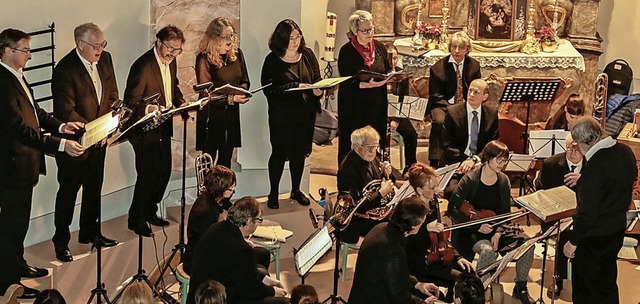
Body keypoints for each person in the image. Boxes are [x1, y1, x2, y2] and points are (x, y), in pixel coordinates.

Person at [0, 28, 85, 299]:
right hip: (12, 168)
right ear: (7, 50)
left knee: (19, 225)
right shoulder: (2, 83)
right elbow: (19, 129)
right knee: (11, 227)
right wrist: (59, 144)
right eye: (25, 50)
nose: (29, 55)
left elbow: (37, 114)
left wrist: (62, 125)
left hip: (24, 166)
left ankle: (17, 264)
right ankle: (8, 283)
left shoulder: (17, 76)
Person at [51, 22, 119, 263]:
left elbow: (112, 94)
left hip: (99, 141)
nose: (100, 50)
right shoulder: (65, 70)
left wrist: (110, 124)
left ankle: (91, 232)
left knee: (94, 189)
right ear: (80, 45)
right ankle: (61, 241)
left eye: (102, 44)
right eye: (95, 46)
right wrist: (93, 131)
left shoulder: (106, 59)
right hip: (75, 145)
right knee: (68, 193)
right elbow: (65, 111)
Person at [447, 140, 534, 304]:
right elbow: (452, 209)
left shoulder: (503, 180)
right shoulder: (470, 180)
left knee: (527, 245)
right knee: (487, 251)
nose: (502, 163)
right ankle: (480, 288)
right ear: (488, 158)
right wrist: (478, 225)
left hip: (497, 228)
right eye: (499, 159)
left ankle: (520, 287)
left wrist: (499, 232)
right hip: (471, 229)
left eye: (505, 160)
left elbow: (505, 213)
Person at [563, 116, 636, 304]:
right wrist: (586, 181)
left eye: (577, 144)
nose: (577, 148)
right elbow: (620, 181)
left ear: (587, 141)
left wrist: (573, 242)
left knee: (586, 289)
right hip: (616, 229)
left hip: (593, 237)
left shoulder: (595, 165)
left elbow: (587, 213)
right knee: (607, 283)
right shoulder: (625, 151)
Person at [124, 25, 187, 237]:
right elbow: (130, 102)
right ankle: (136, 219)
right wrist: (149, 108)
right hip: (144, 129)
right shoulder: (143, 66)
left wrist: (182, 104)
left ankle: (150, 210)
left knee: (164, 171)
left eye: (177, 50)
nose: (173, 53)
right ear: (158, 42)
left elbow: (172, 87)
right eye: (170, 48)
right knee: (147, 175)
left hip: (163, 123)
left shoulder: (172, 60)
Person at [261, 19, 322, 209]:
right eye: (291, 38)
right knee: (279, 154)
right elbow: (268, 89)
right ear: (281, 39)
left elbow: (317, 79)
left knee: (299, 154)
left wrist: (319, 90)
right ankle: (273, 193)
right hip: (282, 117)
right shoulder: (272, 60)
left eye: (298, 36)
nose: (296, 41)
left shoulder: (308, 55)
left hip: (305, 115)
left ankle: (296, 189)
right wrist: (295, 86)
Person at [186, 197, 288, 304]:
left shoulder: (218, 227)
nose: (259, 223)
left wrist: (265, 279)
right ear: (249, 221)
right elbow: (251, 289)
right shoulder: (241, 249)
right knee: (284, 302)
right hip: (217, 298)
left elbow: (242, 272)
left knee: (261, 268)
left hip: (204, 292)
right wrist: (273, 292)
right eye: (259, 220)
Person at [348, 196, 440, 304]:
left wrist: (417, 284)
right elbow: (399, 298)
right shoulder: (393, 250)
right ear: (413, 226)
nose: (423, 224)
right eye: (422, 221)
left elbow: (398, 273)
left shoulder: (382, 227)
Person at [405, 163, 474, 302]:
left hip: (437, 257)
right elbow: (406, 242)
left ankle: (451, 298)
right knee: (462, 281)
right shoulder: (410, 210)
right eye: (432, 187)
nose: (438, 190)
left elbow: (441, 239)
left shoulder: (433, 203)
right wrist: (425, 229)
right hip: (421, 265)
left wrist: (457, 257)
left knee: (469, 274)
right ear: (419, 189)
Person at [182, 166, 270, 275]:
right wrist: (239, 242)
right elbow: (213, 243)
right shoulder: (205, 211)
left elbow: (230, 215)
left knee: (261, 255)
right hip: (200, 262)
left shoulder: (217, 198)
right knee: (257, 258)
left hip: (213, 252)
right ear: (220, 187)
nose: (234, 190)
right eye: (230, 188)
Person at [337, 10, 392, 164]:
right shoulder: (346, 51)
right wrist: (366, 85)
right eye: (365, 30)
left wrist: (389, 77)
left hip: (376, 102)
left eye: (371, 28)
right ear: (355, 31)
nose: (369, 33)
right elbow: (346, 81)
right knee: (354, 143)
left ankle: (373, 175)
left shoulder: (380, 47)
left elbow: (386, 70)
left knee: (373, 142)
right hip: (354, 105)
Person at [195, 17, 250, 168]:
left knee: (226, 160)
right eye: (226, 36)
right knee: (208, 161)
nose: (230, 40)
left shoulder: (237, 54)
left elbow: (245, 80)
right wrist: (231, 99)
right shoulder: (204, 58)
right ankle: (206, 191)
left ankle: (223, 191)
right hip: (211, 117)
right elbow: (205, 93)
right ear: (214, 37)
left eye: (232, 35)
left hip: (230, 116)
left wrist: (243, 91)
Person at [534, 133, 583, 299]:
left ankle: (581, 280)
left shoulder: (592, 165)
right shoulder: (551, 164)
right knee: (566, 234)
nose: (573, 153)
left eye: (577, 149)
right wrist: (560, 214)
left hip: (582, 215)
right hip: (557, 217)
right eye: (569, 148)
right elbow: (541, 194)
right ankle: (558, 278)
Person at [427, 31, 481, 168]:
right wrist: (452, 109)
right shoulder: (438, 68)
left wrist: (467, 105)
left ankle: (471, 154)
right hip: (443, 105)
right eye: (454, 47)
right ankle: (435, 159)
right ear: (449, 47)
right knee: (439, 121)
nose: (457, 51)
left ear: (467, 49)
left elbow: (477, 87)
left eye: (461, 48)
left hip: (466, 103)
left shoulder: (474, 66)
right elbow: (436, 96)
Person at [441, 78, 499, 197]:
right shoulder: (452, 112)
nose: (471, 95)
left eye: (476, 92)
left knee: (494, 191)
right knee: (454, 192)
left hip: (479, 163)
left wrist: (476, 160)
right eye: (470, 91)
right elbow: (446, 145)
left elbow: (492, 144)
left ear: (485, 96)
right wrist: (466, 161)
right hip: (457, 164)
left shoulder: (492, 114)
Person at [337, 125, 394, 244]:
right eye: (370, 147)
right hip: (360, 220)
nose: (373, 151)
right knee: (397, 230)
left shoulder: (374, 157)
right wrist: (381, 193)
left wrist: (387, 174)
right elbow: (355, 207)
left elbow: (386, 183)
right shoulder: (347, 169)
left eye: (376, 146)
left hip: (379, 211)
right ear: (357, 147)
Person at [388, 45, 418, 172]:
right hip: (379, 114)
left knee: (411, 134)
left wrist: (396, 119)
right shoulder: (378, 73)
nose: (392, 62)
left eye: (395, 58)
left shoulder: (402, 74)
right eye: (389, 58)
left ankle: (410, 166)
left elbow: (404, 99)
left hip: (396, 114)